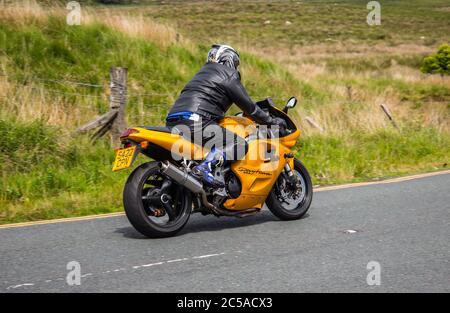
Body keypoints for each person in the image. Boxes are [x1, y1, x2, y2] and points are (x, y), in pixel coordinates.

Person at [166, 44, 286, 187]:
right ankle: (206, 167)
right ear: (229, 60)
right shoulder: (228, 75)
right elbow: (250, 108)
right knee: (239, 143)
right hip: (196, 121)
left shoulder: (201, 74)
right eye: (235, 63)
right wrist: (271, 121)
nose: (235, 67)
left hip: (173, 121)